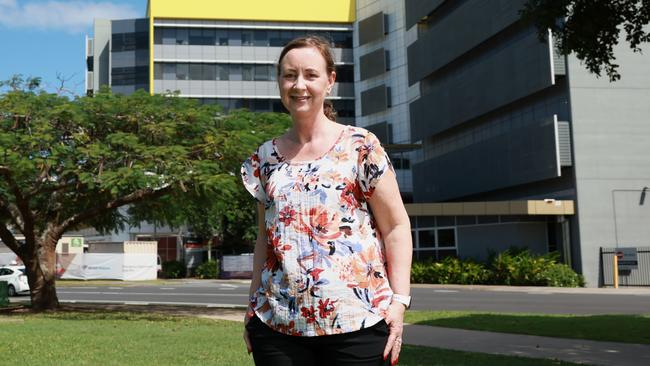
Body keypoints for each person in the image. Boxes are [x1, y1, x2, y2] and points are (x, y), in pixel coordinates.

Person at [240, 35, 412, 366]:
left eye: (310, 74)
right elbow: (266, 238)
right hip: (278, 329)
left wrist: (399, 302)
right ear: (279, 82)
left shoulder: (362, 147)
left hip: (358, 323)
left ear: (330, 81)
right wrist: (252, 305)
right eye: (289, 75)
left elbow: (396, 227)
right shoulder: (265, 158)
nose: (299, 84)